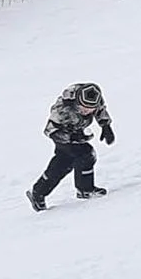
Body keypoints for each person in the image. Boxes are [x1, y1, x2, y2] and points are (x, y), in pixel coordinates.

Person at [26, 82, 115, 211]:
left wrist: (106, 126)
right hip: (63, 134)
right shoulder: (62, 109)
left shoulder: (94, 97)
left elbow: (100, 110)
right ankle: (85, 189)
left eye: (90, 110)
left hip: (77, 131)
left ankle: (38, 192)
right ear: (76, 103)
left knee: (63, 163)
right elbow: (50, 131)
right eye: (83, 108)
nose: (86, 111)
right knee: (86, 154)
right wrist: (71, 138)